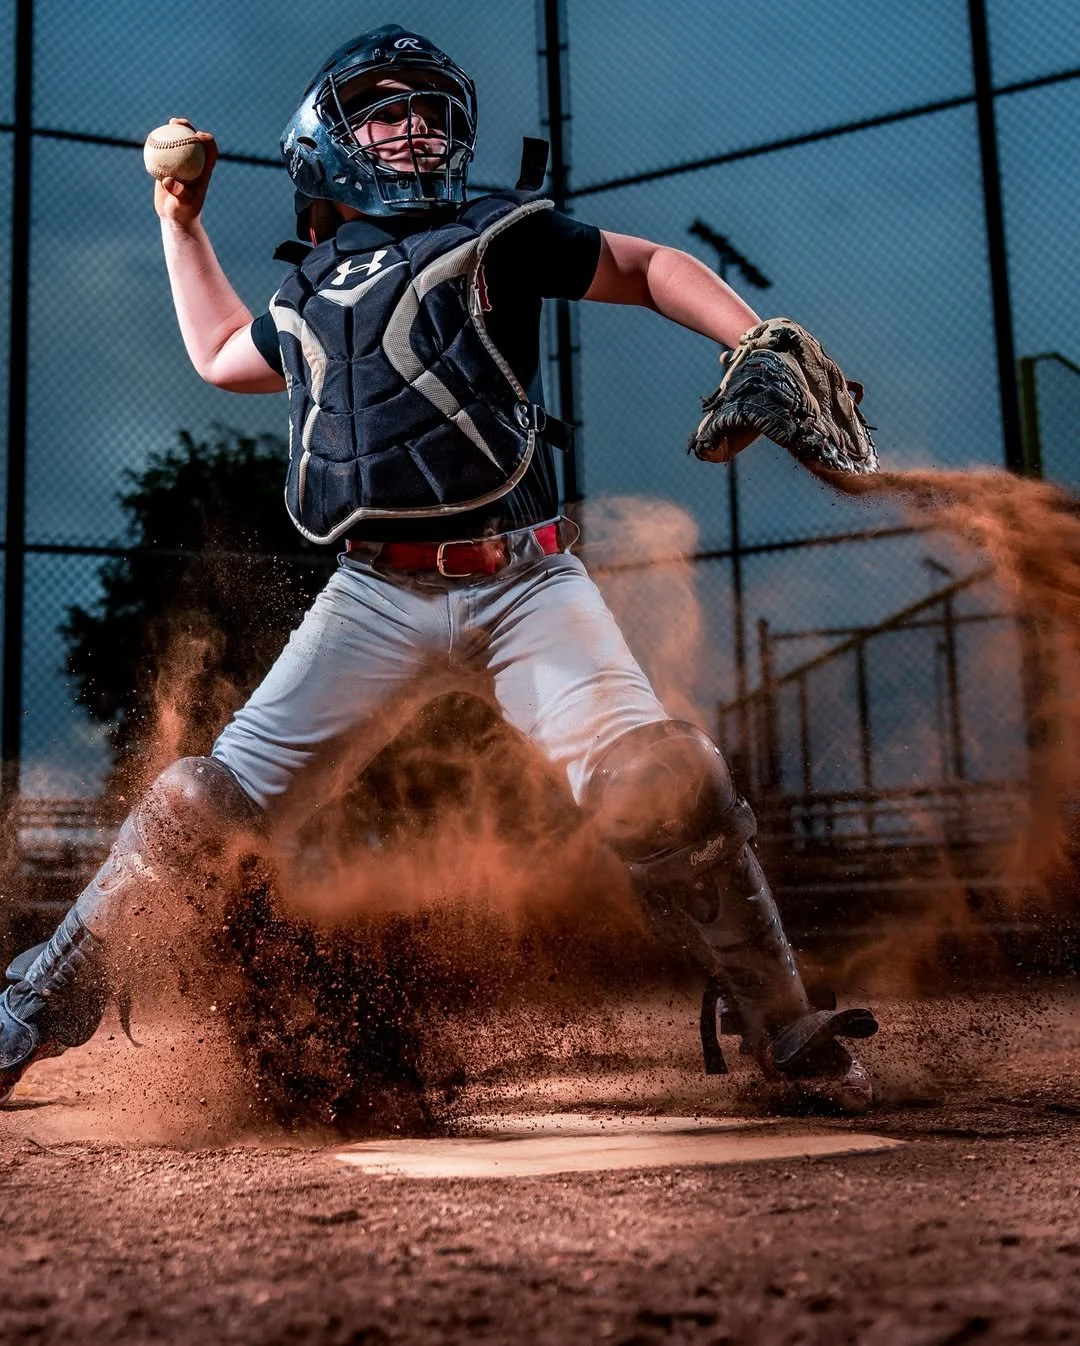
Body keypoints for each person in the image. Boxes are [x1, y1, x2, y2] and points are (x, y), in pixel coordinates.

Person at [0, 25, 877, 1112]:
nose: (413, 126)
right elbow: (225, 355)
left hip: (526, 583)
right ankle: (29, 1007)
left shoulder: (496, 232)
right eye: (384, 109)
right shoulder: (315, 281)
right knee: (193, 804)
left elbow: (649, 266)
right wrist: (177, 222)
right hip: (372, 595)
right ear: (327, 139)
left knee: (668, 780)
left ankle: (786, 1024)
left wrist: (752, 339)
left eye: (430, 111)